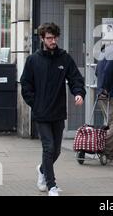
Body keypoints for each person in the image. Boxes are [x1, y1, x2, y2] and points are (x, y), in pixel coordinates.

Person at [20, 22, 85, 196]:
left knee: (56, 150)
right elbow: (25, 84)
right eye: (49, 38)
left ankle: (42, 170)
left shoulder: (64, 58)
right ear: (42, 38)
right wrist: (35, 103)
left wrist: (78, 93)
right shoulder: (33, 60)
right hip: (41, 113)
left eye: (55, 37)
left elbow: (75, 78)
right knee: (48, 148)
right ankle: (52, 185)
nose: (53, 41)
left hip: (58, 111)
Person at [95, 42, 113, 160]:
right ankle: (103, 147)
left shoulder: (104, 53)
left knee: (110, 122)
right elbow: (108, 71)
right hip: (110, 94)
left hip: (101, 93)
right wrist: (106, 88)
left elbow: (96, 72)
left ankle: (109, 151)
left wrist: (102, 88)